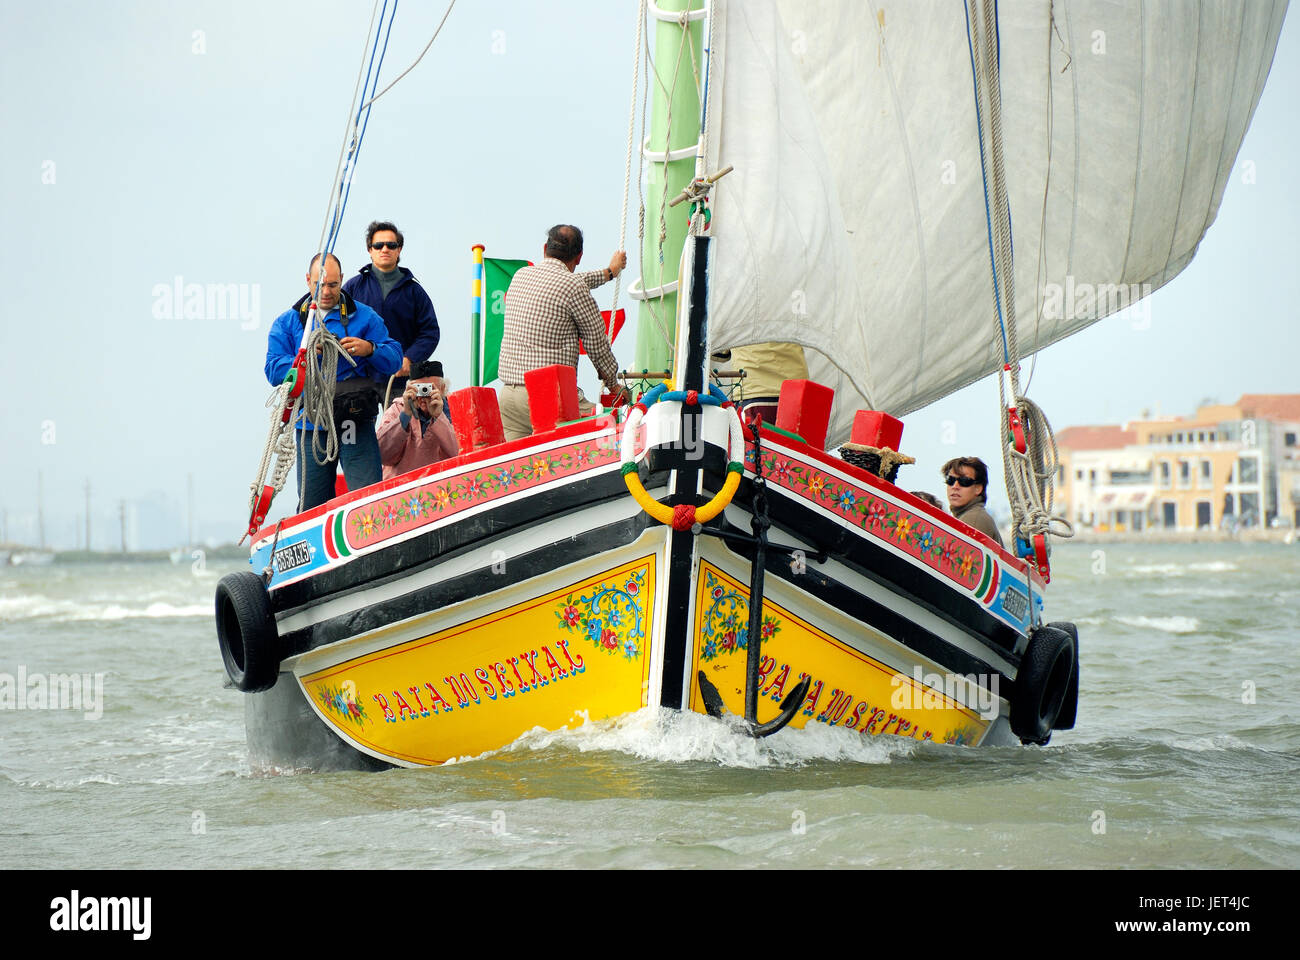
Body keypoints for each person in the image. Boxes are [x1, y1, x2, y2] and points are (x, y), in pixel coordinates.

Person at [265, 253, 403, 511]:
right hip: (311, 422)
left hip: (355, 420)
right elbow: (273, 369)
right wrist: (302, 359)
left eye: (332, 285)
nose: (326, 292)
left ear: (341, 280)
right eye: (320, 285)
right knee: (312, 504)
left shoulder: (366, 317)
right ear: (308, 281)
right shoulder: (288, 322)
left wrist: (370, 348)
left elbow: (395, 358)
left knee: (368, 497)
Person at [496, 224, 628, 441]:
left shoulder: (520, 276)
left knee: (521, 472)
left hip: (510, 398)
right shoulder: (573, 286)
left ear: (544, 248)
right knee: (617, 427)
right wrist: (613, 384)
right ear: (579, 257)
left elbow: (563, 282)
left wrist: (609, 273)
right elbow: (597, 345)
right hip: (547, 400)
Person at [342, 220, 440, 401]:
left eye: (391, 245)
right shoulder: (353, 288)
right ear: (370, 250)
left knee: (400, 429)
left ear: (399, 250)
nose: (384, 249)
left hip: (400, 380)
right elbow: (335, 324)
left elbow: (430, 332)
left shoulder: (415, 291)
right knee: (362, 430)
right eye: (378, 245)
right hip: (360, 377)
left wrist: (409, 359)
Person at [376, 360, 459, 479]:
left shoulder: (456, 411)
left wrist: (439, 417)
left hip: (442, 490)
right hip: (401, 489)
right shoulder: (397, 410)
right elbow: (382, 455)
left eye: (429, 388)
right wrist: (405, 416)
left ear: (442, 388)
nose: (424, 395)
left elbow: (460, 453)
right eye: (419, 388)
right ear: (409, 388)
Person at [728, 341, 809, 426]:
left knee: (753, 438)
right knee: (800, 438)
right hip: (797, 387)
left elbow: (719, 351)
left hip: (755, 389)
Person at [942, 456, 1004, 548]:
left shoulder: (974, 518)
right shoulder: (967, 516)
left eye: (964, 481)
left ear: (978, 488)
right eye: (950, 480)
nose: (955, 486)